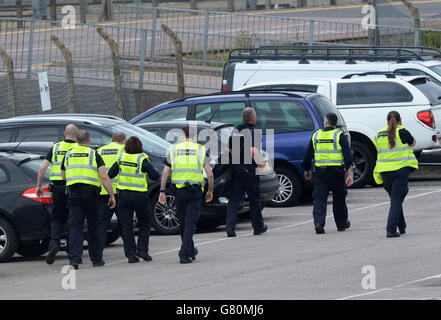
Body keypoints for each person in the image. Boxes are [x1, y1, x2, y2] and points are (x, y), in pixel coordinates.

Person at [60, 130, 116, 269]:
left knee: (76, 226)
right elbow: (103, 176)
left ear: (77, 140)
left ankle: (74, 258)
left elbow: (63, 175)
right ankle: (96, 259)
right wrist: (111, 195)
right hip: (90, 194)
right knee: (93, 226)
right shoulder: (93, 154)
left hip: (73, 192)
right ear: (88, 140)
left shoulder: (68, 154)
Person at [159, 126, 214, 264]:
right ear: (194, 137)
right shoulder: (201, 150)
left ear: (182, 135)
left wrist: (162, 191)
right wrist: (210, 190)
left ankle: (189, 249)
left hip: (179, 191)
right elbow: (210, 174)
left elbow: (165, 172)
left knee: (183, 221)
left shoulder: (173, 149)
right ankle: (185, 252)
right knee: (190, 222)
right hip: (195, 191)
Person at [107, 136, 159, 263]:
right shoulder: (142, 159)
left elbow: (111, 174)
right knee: (145, 223)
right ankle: (143, 250)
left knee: (126, 225)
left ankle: (131, 254)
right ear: (140, 147)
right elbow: (155, 176)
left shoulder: (121, 158)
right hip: (140, 196)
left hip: (124, 196)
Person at [303, 113, 354, 234]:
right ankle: (341, 224)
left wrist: (306, 170)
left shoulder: (316, 135)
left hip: (320, 173)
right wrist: (350, 173)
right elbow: (347, 156)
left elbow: (308, 155)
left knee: (320, 199)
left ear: (325, 123)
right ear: (335, 124)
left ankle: (319, 223)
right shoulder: (339, 135)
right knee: (339, 198)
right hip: (337, 173)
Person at [36, 124, 78, 265]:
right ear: (76, 135)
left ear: (65, 133)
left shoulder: (56, 147)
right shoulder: (79, 148)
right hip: (73, 188)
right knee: (73, 218)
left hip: (57, 189)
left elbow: (42, 168)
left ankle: (54, 243)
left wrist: (39, 186)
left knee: (56, 218)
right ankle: (72, 249)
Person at [373, 111, 418, 238]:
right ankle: (391, 229)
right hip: (400, 170)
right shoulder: (402, 131)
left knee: (395, 199)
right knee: (397, 200)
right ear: (400, 120)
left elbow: (376, 146)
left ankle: (402, 226)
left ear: (387, 121)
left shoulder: (379, 134)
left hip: (384, 172)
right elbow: (413, 143)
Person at [225, 107, 267, 238]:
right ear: (254, 119)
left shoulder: (235, 131)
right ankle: (258, 227)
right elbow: (254, 151)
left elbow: (229, 150)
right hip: (249, 168)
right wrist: (262, 166)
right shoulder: (254, 132)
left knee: (234, 198)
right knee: (254, 198)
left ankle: (230, 227)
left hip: (236, 167)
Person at [96, 131, 126, 262]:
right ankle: (131, 252)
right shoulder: (124, 150)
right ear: (122, 140)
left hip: (104, 192)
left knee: (102, 225)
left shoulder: (100, 150)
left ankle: (98, 254)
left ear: (112, 140)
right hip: (120, 191)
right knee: (125, 223)